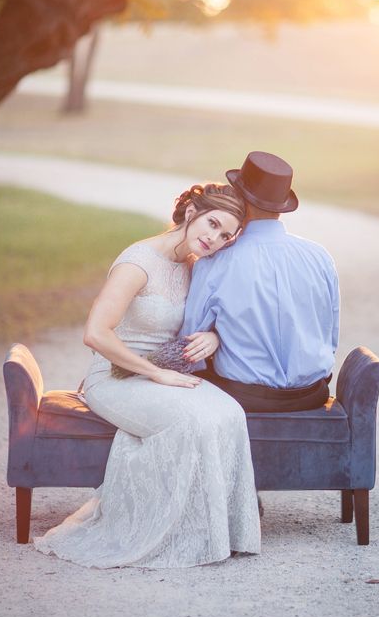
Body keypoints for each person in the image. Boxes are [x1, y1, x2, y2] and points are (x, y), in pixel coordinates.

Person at [33, 183, 261, 568]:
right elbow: (95, 333)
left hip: (162, 374)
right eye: (212, 224)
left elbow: (209, 316)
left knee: (230, 413)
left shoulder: (194, 265)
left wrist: (213, 335)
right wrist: (157, 374)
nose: (215, 239)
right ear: (191, 212)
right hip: (114, 379)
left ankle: (218, 532)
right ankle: (167, 529)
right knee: (193, 421)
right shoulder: (138, 261)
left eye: (225, 235)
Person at [181, 152, 340, 413]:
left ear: (240, 200)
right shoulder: (320, 256)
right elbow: (330, 334)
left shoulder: (216, 262)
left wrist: (218, 338)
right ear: (282, 205)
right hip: (312, 394)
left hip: (242, 397)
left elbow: (191, 346)